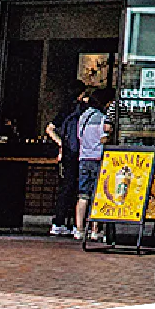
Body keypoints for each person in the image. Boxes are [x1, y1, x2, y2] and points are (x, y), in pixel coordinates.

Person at [45, 84, 87, 236]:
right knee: (80, 189)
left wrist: (61, 144)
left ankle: (58, 222)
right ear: (81, 94)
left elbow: (49, 129)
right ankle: (77, 224)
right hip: (82, 153)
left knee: (66, 187)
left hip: (68, 153)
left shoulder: (65, 109)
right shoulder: (84, 110)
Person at [72, 88, 114, 240]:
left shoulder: (83, 116)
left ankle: (79, 229)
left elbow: (79, 136)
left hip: (84, 157)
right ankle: (94, 229)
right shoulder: (101, 117)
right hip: (97, 157)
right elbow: (104, 137)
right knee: (97, 194)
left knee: (83, 195)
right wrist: (110, 134)